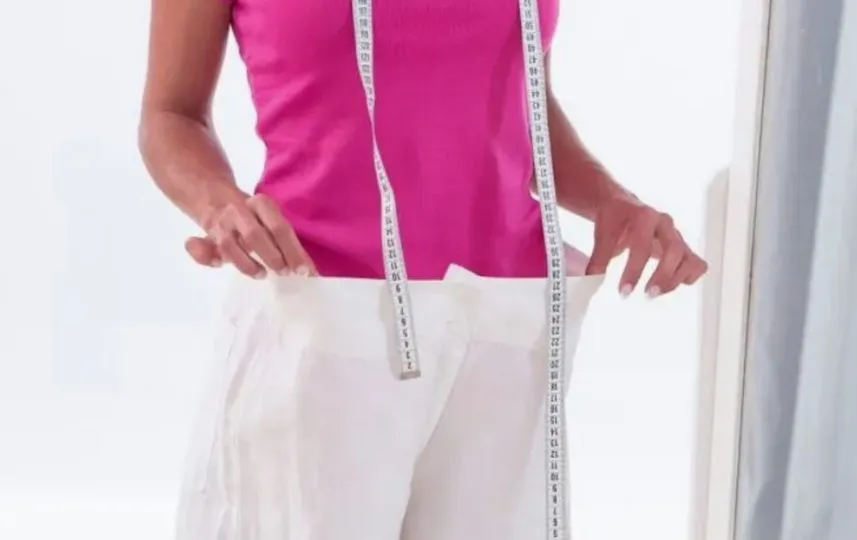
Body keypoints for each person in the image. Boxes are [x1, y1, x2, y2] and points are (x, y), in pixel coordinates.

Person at [139, 0, 707, 539]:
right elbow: (171, 113)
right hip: (324, 320)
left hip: (505, 326)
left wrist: (612, 199)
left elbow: (516, 96)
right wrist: (219, 204)